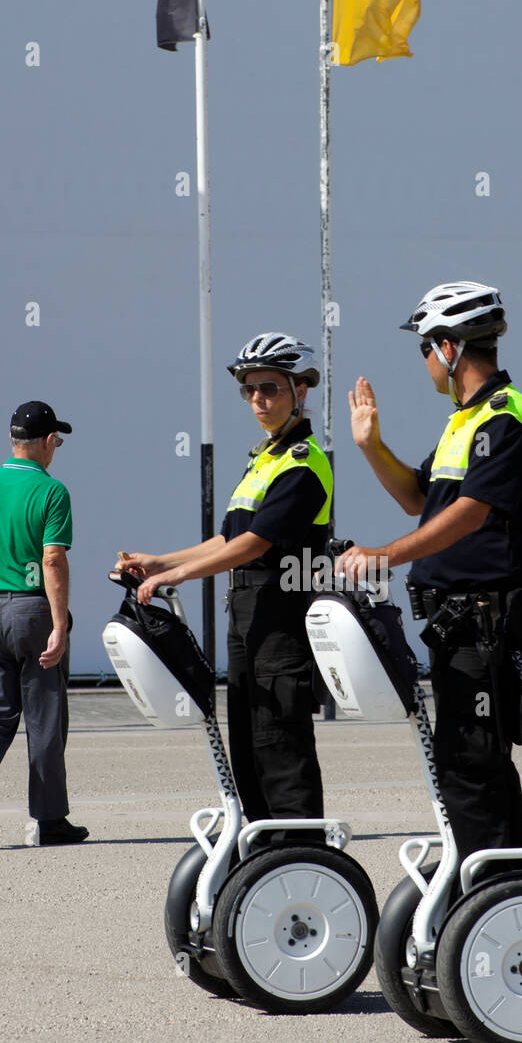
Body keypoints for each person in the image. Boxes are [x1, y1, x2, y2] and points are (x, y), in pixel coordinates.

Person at [340, 281, 522, 862]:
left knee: (471, 765)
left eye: (424, 347)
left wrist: (382, 556)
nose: (424, 360)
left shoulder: (507, 419)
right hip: (456, 626)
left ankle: (495, 898)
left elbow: (468, 514)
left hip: (485, 627)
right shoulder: (464, 422)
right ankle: (501, 888)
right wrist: (370, 446)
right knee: (473, 765)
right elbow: (419, 498)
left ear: (449, 347)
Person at [119, 333, 332, 829]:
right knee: (248, 746)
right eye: (249, 390)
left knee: (280, 748)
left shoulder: (303, 463)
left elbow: (254, 545)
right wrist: (159, 562)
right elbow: (225, 539)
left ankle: (302, 851)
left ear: (301, 391)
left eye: (270, 389)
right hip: (248, 619)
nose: (258, 399)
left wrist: (179, 576)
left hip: (281, 625)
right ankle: (261, 849)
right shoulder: (265, 459)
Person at [0, 401, 87, 849]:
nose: (56, 450)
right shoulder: (51, 491)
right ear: (46, 442)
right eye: (57, 442)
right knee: (44, 717)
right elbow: (52, 558)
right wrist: (60, 624)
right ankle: (50, 820)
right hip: (32, 611)